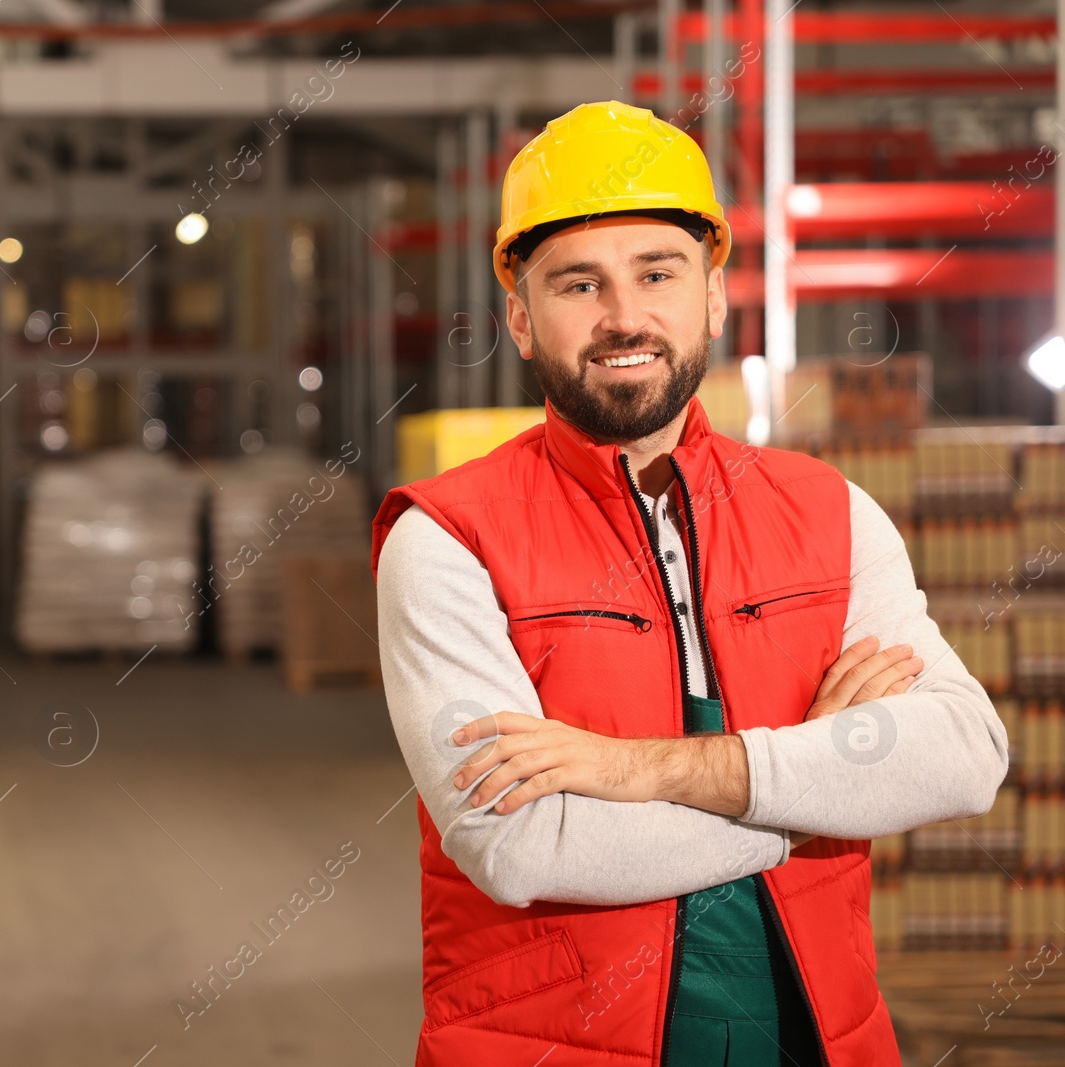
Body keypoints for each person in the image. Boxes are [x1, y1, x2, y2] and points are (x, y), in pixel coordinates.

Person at [371, 100, 1008, 1066]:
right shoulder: (448, 538)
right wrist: (813, 791)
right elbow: (522, 845)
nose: (624, 316)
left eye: (657, 274)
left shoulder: (826, 512)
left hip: (816, 1040)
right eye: (578, 284)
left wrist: (632, 769)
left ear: (713, 298)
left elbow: (962, 754)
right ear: (520, 318)